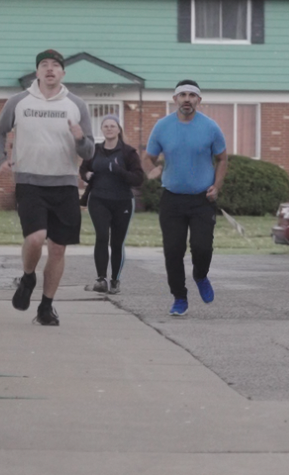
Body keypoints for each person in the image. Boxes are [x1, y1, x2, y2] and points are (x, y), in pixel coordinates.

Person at [0, 48, 95, 326]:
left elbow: (89, 151)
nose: (50, 69)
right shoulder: (19, 101)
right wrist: (0, 159)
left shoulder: (76, 105)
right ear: (37, 72)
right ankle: (28, 277)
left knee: (58, 249)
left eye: (55, 65)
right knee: (36, 238)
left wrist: (80, 138)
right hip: (30, 182)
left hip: (64, 185)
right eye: (44, 65)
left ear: (63, 72)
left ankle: (46, 307)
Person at [143, 81, 228, 315]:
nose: (187, 99)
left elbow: (222, 159)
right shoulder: (162, 126)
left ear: (199, 100)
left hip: (202, 199)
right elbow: (148, 157)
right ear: (175, 99)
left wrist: (217, 186)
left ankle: (200, 275)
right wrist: (151, 170)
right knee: (173, 251)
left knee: (202, 248)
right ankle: (179, 297)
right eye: (182, 95)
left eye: (192, 95)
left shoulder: (210, 127)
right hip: (172, 200)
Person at [79, 115, 144, 292]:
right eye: (106, 126)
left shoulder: (128, 153)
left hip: (122, 202)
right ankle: (101, 280)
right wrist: (86, 175)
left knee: (117, 242)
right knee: (101, 237)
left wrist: (119, 171)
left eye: (112, 126)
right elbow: (83, 169)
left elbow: (138, 179)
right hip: (98, 200)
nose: (109, 129)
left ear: (118, 129)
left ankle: (115, 280)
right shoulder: (94, 150)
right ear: (102, 129)